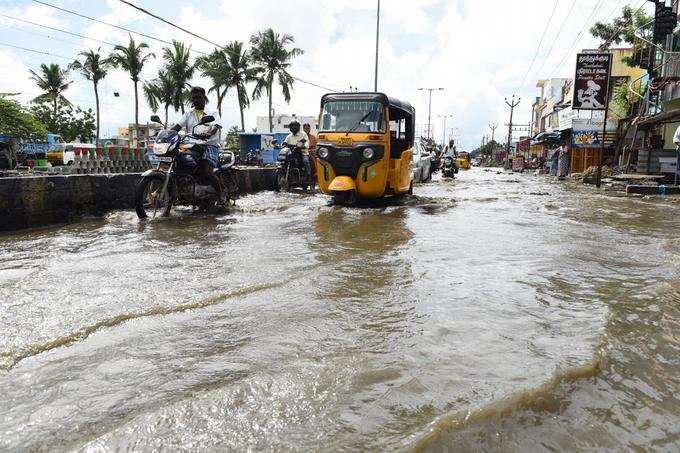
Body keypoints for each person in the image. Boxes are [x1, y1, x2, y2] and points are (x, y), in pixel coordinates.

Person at [172, 86, 224, 204]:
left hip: (209, 145)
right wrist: (166, 133)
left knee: (207, 170)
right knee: (180, 162)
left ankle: (221, 196)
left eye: (198, 97)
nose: (196, 100)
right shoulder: (188, 113)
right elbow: (177, 126)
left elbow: (216, 127)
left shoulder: (213, 112)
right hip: (191, 145)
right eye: (194, 98)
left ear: (204, 97)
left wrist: (208, 133)